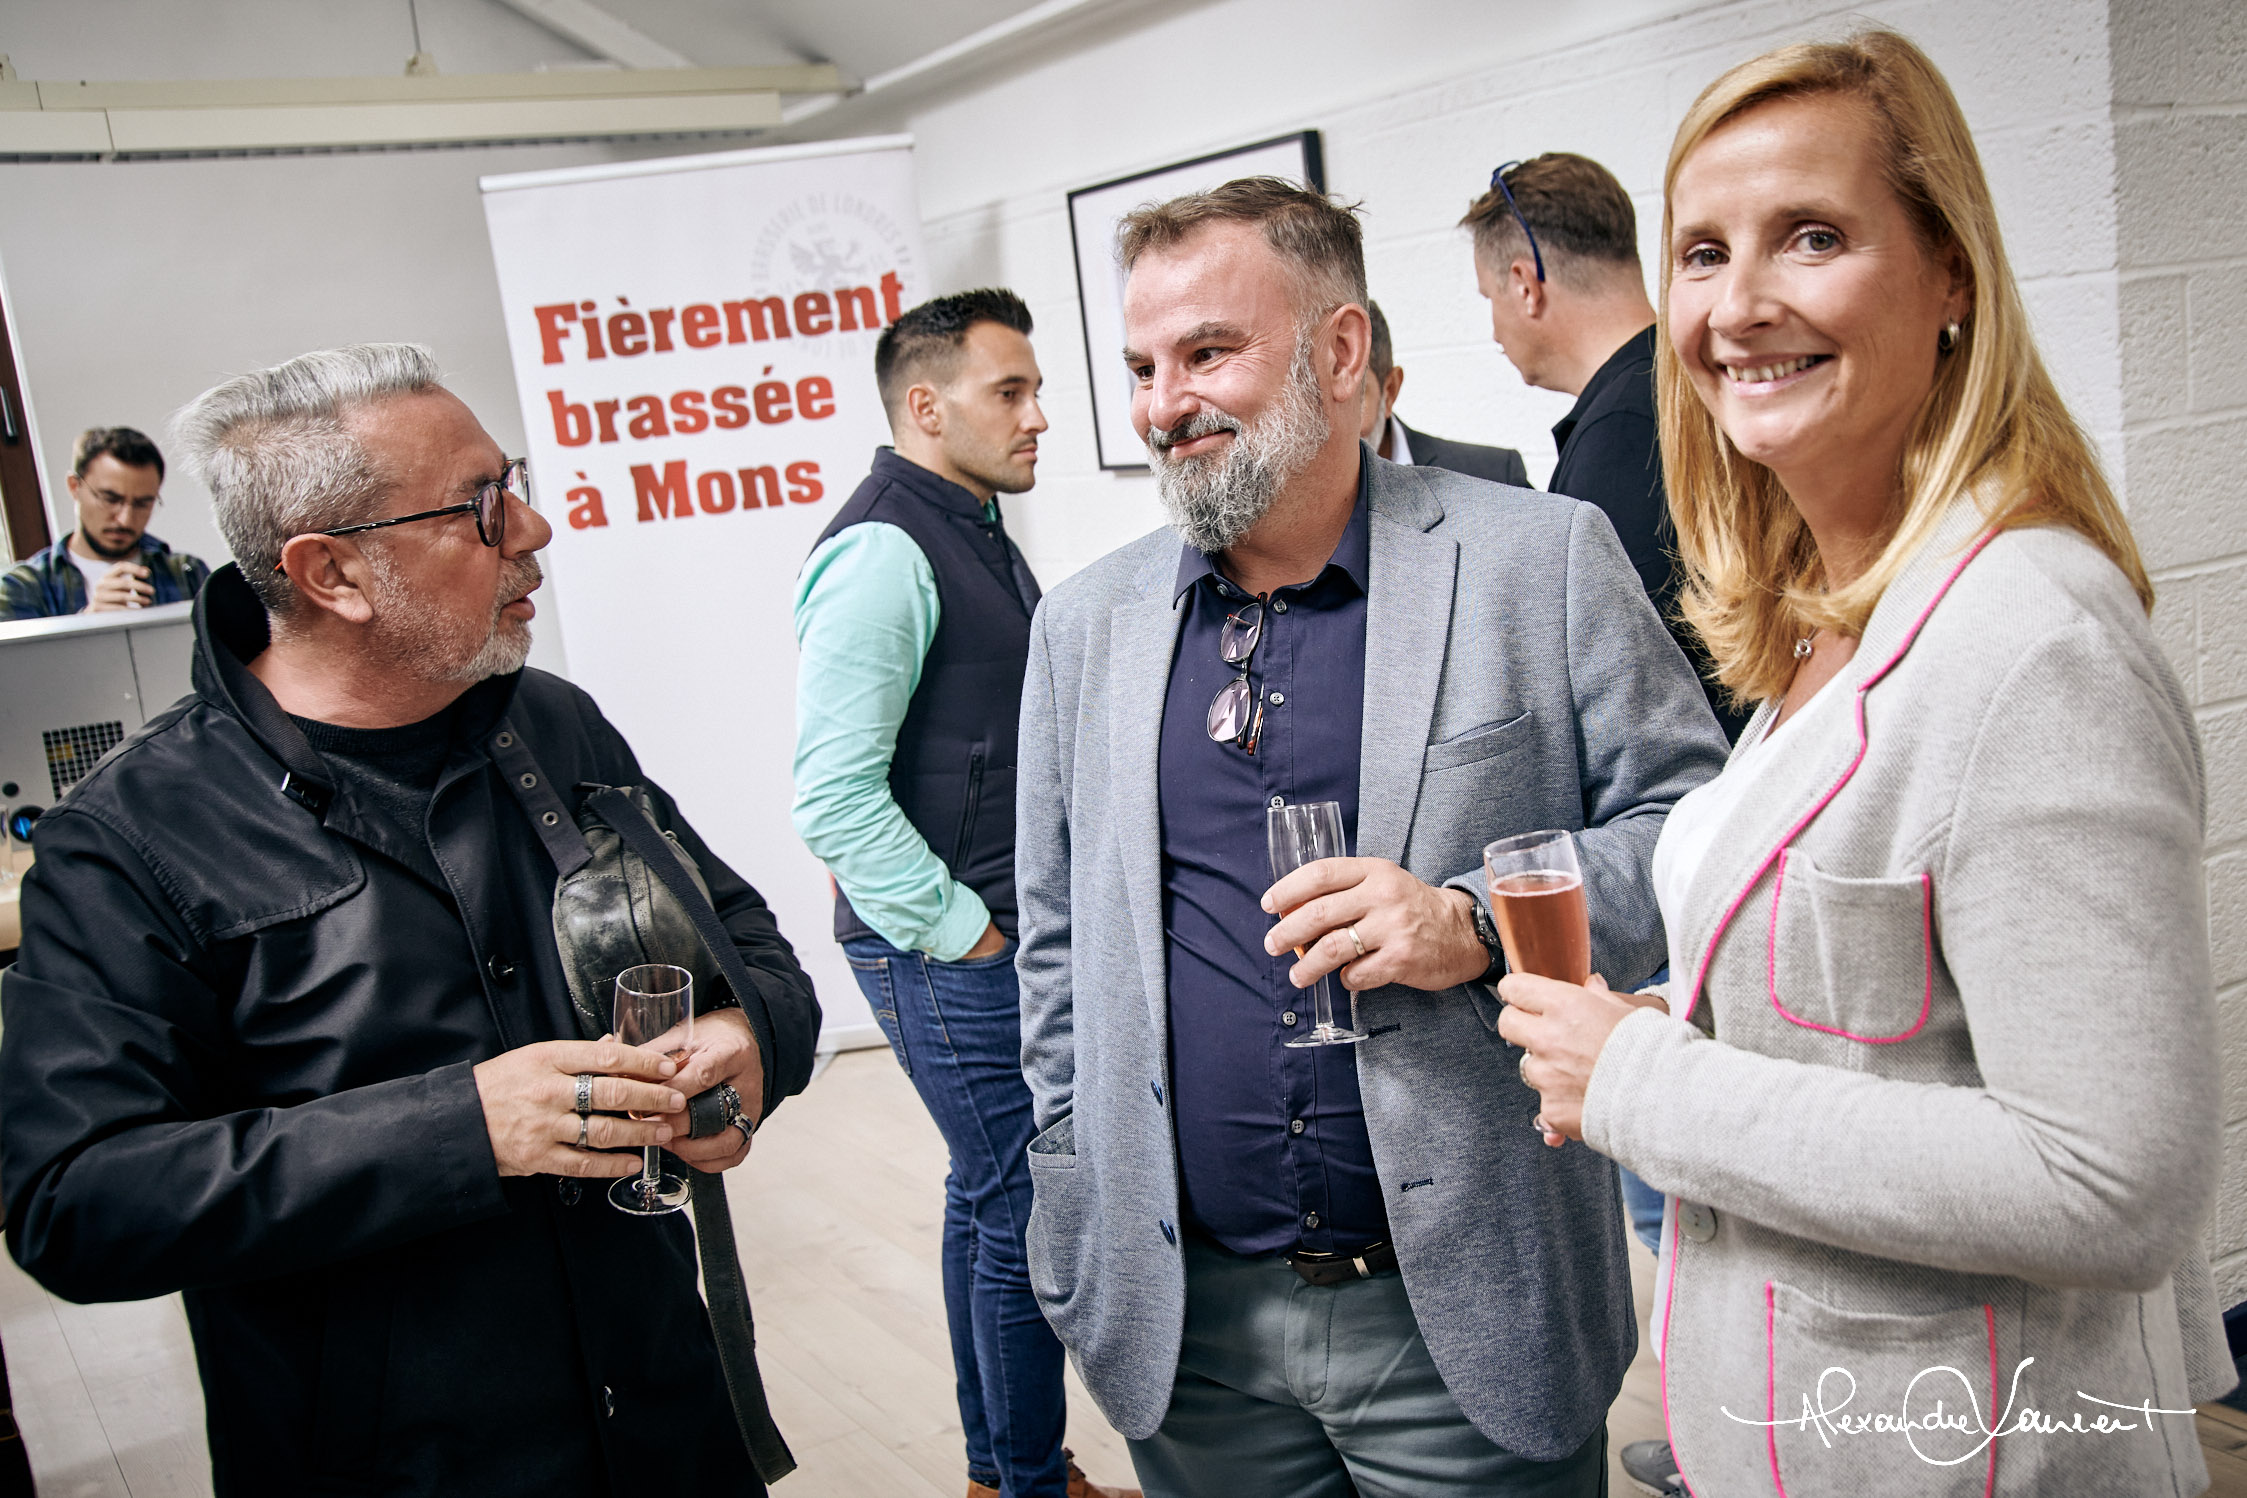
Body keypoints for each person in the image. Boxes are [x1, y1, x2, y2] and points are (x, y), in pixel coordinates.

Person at [1498, 33, 2232, 1498]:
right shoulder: (1837, 612)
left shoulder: (2031, 640)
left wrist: (1644, 1080)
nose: (1737, 303)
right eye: (1700, 252)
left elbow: (2109, 1180)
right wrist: (1678, 1021)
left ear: (1947, 274)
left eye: (1811, 237)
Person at [0, 345, 821, 1498]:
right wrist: (463, 1126)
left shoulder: (556, 727)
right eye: (484, 505)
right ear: (331, 572)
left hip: (666, 1423)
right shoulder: (132, 838)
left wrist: (746, 1051)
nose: (533, 528)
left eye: (514, 480)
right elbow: (73, 1202)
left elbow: (757, 955)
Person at [1015, 177, 1727, 1497]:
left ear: (1339, 353)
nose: (1162, 402)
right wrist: (1067, 1167)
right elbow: (1054, 946)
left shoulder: (1539, 560)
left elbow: (1691, 829)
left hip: (1461, 1313)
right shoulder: (1083, 626)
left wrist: (1466, 921)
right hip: (1190, 1332)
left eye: (1206, 350)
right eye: (1140, 364)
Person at [792, 290, 1133, 1498]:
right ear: (927, 408)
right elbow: (832, 795)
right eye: (1013, 392)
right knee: (1023, 1203)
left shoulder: (970, 517)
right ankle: (1031, 1484)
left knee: (983, 1198)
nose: (1040, 414)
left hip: (984, 935)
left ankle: (1003, 1470)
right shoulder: (885, 547)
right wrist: (969, 934)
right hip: (942, 947)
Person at [1462, 156, 1745, 740]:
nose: (1494, 330)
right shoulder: (1688, 383)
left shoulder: (1619, 435)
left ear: (1524, 285)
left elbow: (1639, 688)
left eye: (1490, 297)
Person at [0, 425, 210, 620]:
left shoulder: (188, 573)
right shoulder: (22, 587)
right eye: (110, 499)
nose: (125, 519)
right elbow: (19, 661)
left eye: (142, 504)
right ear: (74, 486)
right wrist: (87, 623)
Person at [1357, 300, 1528, 486]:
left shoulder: (1492, 476)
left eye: (1353, 397)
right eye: (1319, 396)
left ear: (1390, 391)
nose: (1331, 424)